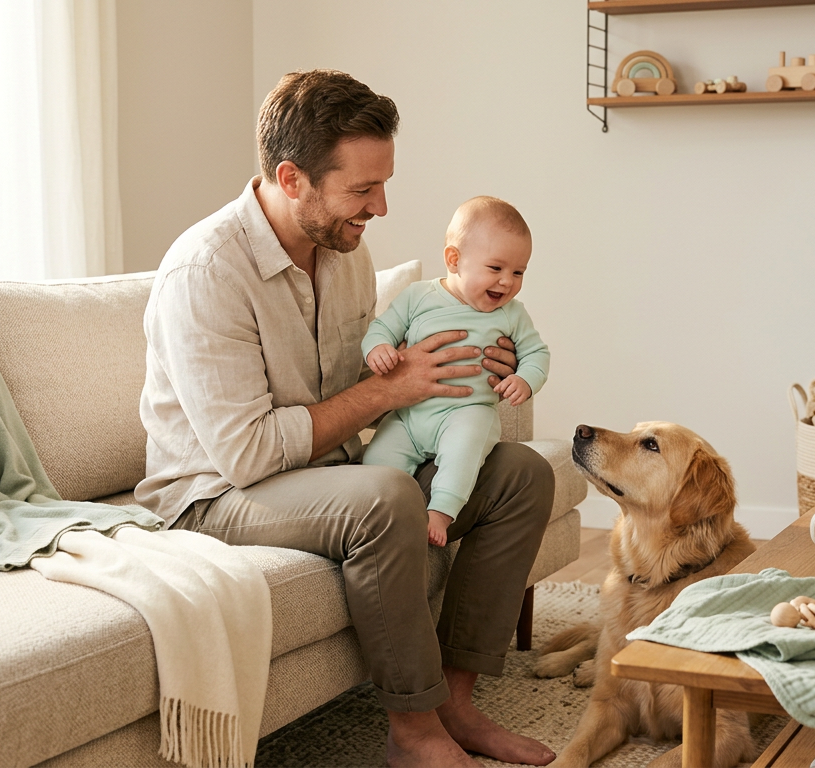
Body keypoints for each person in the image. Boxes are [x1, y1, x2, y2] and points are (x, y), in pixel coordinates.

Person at [135, 69, 556, 767]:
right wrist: (386, 395)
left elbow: (358, 380)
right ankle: (414, 731)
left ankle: (455, 700)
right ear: (292, 177)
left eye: (382, 184)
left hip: (323, 472)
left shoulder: (343, 253)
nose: (382, 208)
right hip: (213, 495)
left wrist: (467, 362)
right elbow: (247, 455)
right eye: (363, 190)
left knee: (520, 473)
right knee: (386, 497)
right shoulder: (206, 273)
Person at [363, 197, 549, 548]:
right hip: (409, 414)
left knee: (465, 449)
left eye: (518, 272)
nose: (507, 282)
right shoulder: (417, 297)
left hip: (467, 411)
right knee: (377, 461)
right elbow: (381, 328)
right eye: (496, 268)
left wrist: (525, 378)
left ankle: (441, 512)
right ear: (454, 259)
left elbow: (536, 353)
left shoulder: (512, 314)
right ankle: (384, 517)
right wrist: (379, 349)